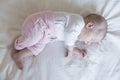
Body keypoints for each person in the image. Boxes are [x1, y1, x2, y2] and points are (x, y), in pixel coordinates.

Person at [11, 11, 107, 70]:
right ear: (90, 25)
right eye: (91, 39)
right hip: (40, 24)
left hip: (46, 36)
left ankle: (18, 56)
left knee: (37, 49)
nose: (87, 43)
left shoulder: (75, 35)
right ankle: (18, 44)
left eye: (90, 43)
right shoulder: (78, 22)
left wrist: (78, 51)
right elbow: (69, 37)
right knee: (31, 39)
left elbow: (70, 42)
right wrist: (70, 50)